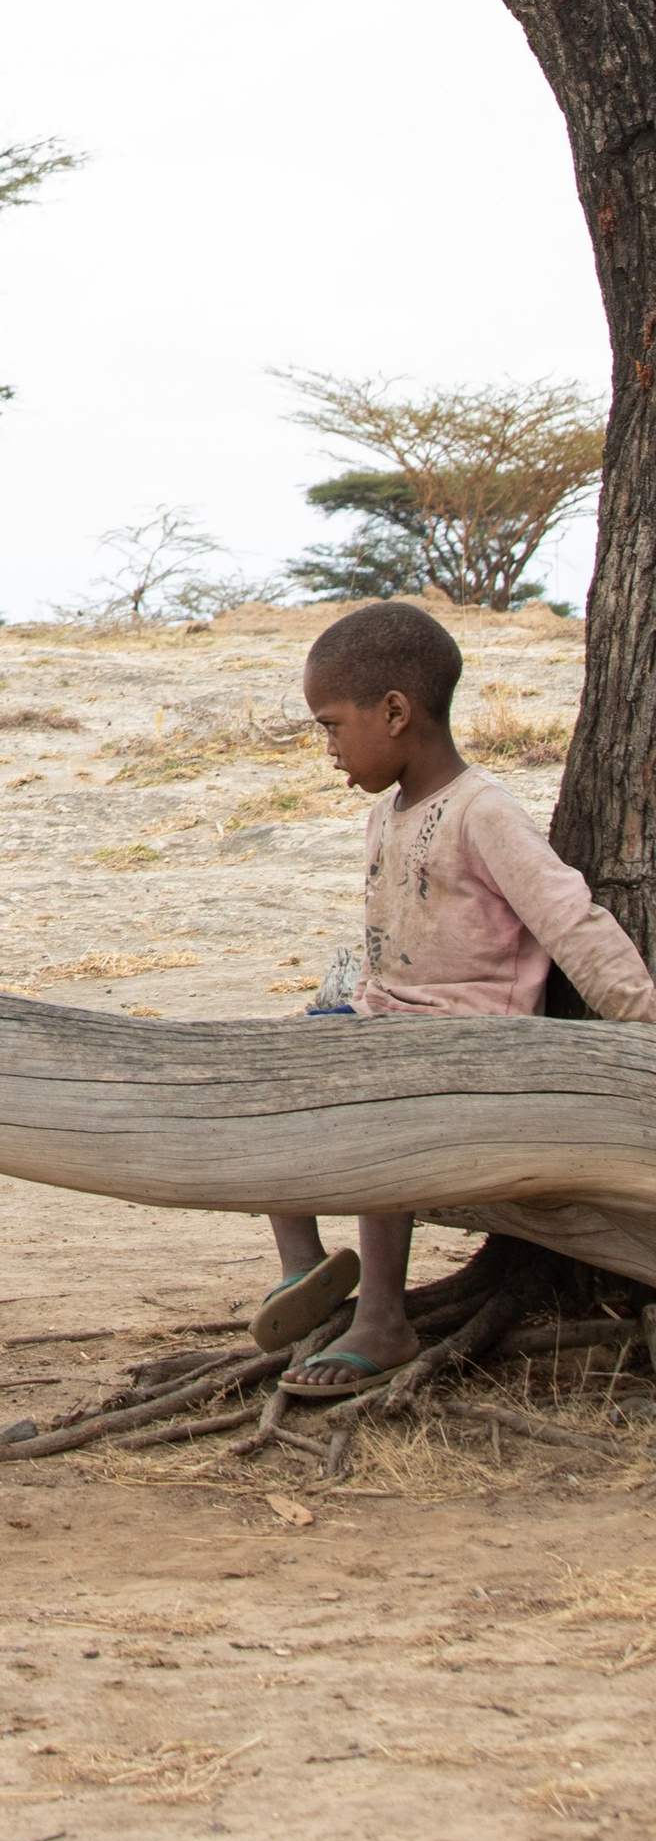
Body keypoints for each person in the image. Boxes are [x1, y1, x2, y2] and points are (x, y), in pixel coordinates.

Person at [257, 598, 656, 1397]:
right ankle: (304, 1275)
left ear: (396, 712)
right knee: (273, 1066)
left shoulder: (485, 813)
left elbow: (571, 919)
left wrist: (643, 1024)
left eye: (331, 725)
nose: (328, 748)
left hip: (478, 1054)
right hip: (398, 1030)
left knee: (386, 1104)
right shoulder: (386, 817)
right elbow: (385, 950)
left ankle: (382, 1318)